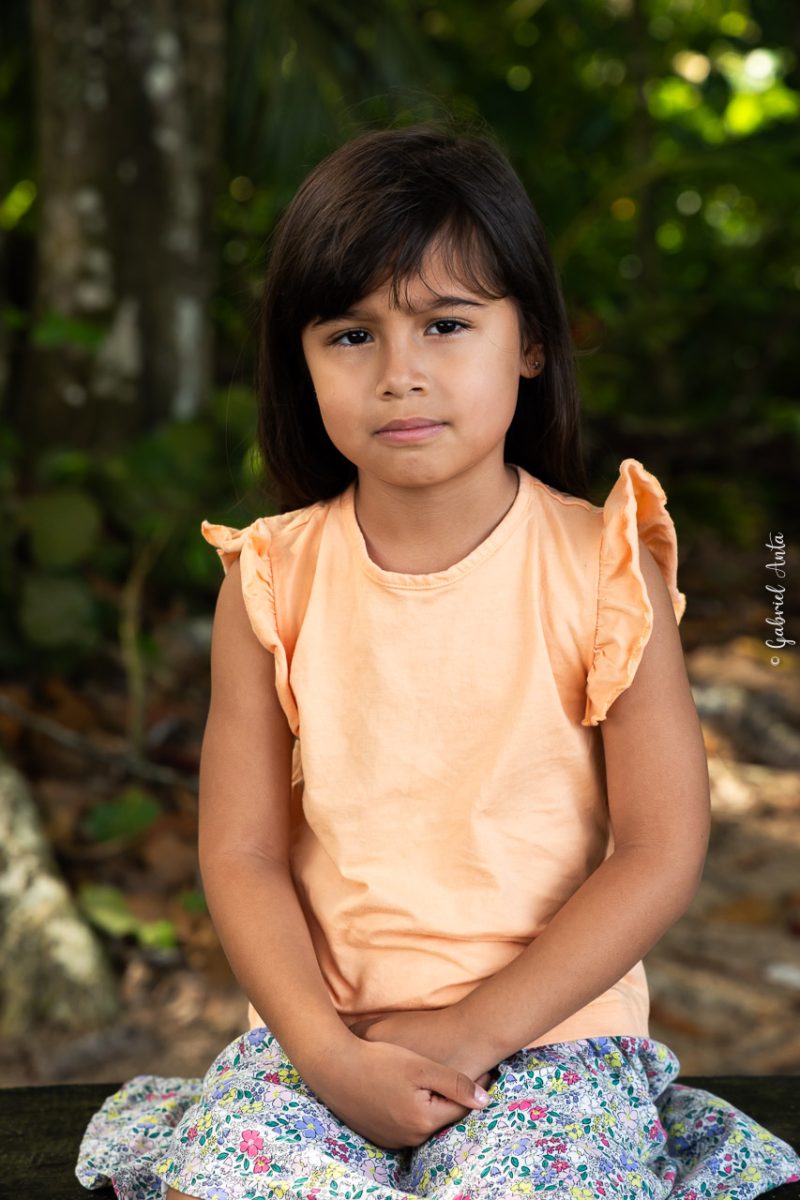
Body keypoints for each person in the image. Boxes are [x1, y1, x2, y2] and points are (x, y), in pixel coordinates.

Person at [76, 121, 800, 1200]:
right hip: (324, 1040)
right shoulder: (269, 580)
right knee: (229, 1180)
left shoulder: (602, 568)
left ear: (530, 343)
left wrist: (467, 1034)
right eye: (349, 336)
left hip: (551, 1039)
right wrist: (325, 1054)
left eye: (444, 323)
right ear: (301, 360)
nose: (398, 374)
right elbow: (240, 856)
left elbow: (656, 849)